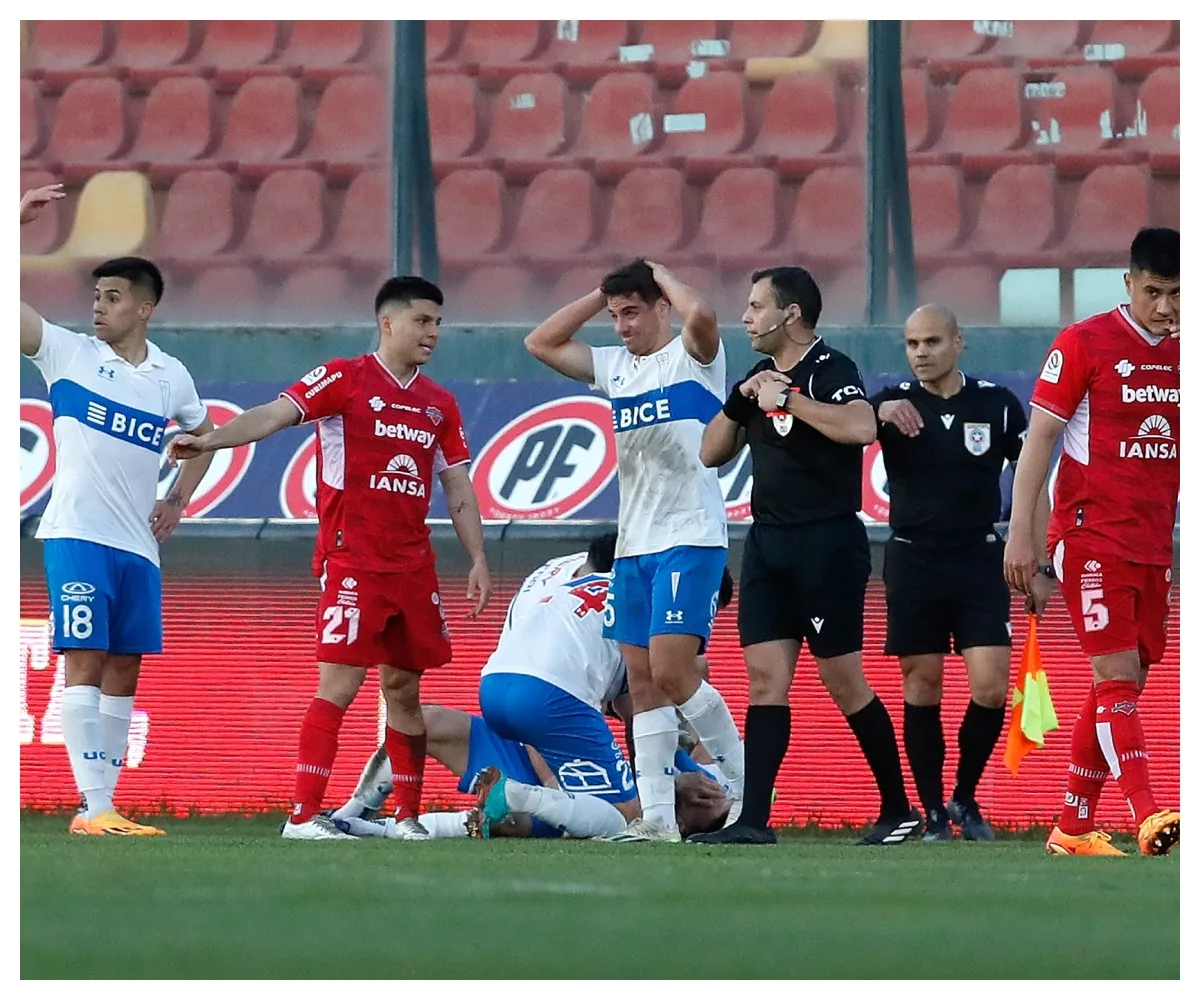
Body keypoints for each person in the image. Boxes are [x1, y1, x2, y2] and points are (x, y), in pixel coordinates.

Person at [169, 276, 492, 841]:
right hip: (353, 560)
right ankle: (303, 814)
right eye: (423, 321)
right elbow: (272, 415)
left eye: (438, 322)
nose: (433, 332)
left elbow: (457, 485)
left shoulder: (440, 404)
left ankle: (407, 817)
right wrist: (212, 440)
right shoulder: (344, 378)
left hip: (413, 567)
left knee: (404, 692)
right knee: (338, 687)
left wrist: (478, 559)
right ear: (388, 322)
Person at [692, 265, 919, 847]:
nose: (745, 317)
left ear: (790, 314)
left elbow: (862, 426)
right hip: (768, 543)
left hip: (827, 543)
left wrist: (789, 396)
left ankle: (898, 809)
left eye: (756, 306)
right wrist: (743, 400)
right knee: (765, 680)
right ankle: (753, 821)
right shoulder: (757, 374)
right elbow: (710, 452)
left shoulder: (831, 366)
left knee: (843, 680)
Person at [524, 258, 744, 842]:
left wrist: (659, 271)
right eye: (616, 314)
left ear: (660, 309)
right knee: (641, 682)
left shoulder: (694, 359)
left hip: (689, 535)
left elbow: (701, 313)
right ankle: (658, 821)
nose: (621, 325)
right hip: (633, 545)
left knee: (674, 671)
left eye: (632, 311)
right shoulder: (615, 368)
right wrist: (602, 293)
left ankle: (746, 790)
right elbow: (541, 342)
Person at [20, 185, 217, 836]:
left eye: (111, 298)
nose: (98, 309)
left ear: (144, 307)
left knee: (125, 666)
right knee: (85, 657)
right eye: (95, 298)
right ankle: (95, 807)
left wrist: (178, 498)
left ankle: (104, 806)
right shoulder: (67, 353)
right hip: (76, 533)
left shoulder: (170, 377)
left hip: (138, 545)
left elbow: (204, 436)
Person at [1005, 227, 1181, 858]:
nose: (1165, 307)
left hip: (1155, 543)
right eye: (1154, 291)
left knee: (1122, 685)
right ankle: (1149, 813)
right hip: (1090, 535)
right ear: (1129, 283)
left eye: (1178, 295)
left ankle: (1073, 828)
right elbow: (1039, 442)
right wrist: (1022, 534)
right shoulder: (1084, 343)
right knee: (1114, 677)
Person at [870, 304, 1029, 842]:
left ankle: (966, 795)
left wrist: (1038, 554)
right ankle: (934, 810)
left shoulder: (998, 404)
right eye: (912, 343)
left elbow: (1031, 479)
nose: (921, 353)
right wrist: (877, 415)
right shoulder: (890, 405)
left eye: (932, 342)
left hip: (979, 556)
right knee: (923, 683)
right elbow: (842, 437)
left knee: (990, 687)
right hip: (914, 557)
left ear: (958, 343)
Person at [333, 706, 732, 842]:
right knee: (419, 722)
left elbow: (715, 796)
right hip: (537, 747)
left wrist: (681, 784)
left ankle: (374, 831)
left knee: (509, 823)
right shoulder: (604, 636)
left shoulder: (704, 775)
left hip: (587, 796)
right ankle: (350, 814)